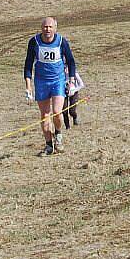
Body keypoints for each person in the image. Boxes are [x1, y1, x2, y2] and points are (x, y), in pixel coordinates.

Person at [24, 16, 77, 156]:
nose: (47, 29)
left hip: (58, 80)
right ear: (41, 28)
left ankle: (58, 136)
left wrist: (71, 81)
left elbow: (71, 61)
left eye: (50, 27)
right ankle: (48, 145)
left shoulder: (61, 42)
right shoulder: (34, 42)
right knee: (44, 115)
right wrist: (28, 87)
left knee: (57, 111)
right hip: (41, 81)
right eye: (45, 27)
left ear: (55, 28)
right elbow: (28, 65)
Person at [63, 64, 85, 130]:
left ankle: (75, 118)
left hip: (74, 93)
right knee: (64, 110)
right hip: (64, 94)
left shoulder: (75, 74)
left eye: (67, 67)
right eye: (64, 67)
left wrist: (74, 90)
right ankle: (67, 126)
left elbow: (81, 85)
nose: (66, 69)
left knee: (72, 111)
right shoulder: (61, 75)